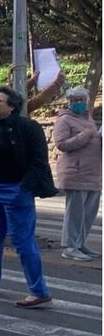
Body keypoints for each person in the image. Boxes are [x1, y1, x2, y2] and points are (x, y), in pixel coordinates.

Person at [0, 86, 54, 308]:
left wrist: (24, 187)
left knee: (22, 241)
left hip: (16, 189)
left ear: (12, 106)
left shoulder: (28, 127)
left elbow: (39, 161)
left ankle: (39, 290)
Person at [53, 86, 101, 261]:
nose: (79, 103)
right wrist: (86, 136)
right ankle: (69, 246)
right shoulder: (64, 121)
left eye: (82, 99)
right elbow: (62, 144)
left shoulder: (88, 120)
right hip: (75, 172)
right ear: (69, 102)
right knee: (75, 213)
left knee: (88, 213)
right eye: (75, 100)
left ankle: (80, 243)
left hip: (93, 173)